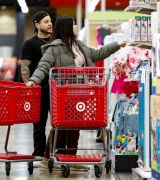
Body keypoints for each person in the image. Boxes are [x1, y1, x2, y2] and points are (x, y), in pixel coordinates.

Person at [26, 16, 128, 168]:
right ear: (66, 27)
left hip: (81, 93)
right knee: (61, 126)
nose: (76, 27)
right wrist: (34, 80)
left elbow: (97, 54)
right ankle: (48, 156)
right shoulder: (54, 48)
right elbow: (44, 65)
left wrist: (118, 45)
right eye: (73, 24)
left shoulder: (79, 45)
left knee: (76, 126)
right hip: (63, 94)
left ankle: (70, 159)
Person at [20, 11, 53, 162]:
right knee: (39, 125)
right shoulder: (30, 44)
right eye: (46, 21)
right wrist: (28, 85)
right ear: (37, 24)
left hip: (56, 90)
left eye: (50, 21)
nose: (50, 24)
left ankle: (54, 152)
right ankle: (39, 154)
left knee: (60, 123)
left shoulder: (56, 42)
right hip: (38, 89)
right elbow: (25, 67)